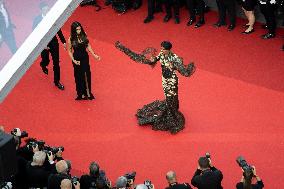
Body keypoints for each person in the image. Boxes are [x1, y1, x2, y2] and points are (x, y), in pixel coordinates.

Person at [115, 41, 195, 134]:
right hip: (164, 81)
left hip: (172, 82)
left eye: (163, 49)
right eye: (161, 48)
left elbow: (184, 72)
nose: (161, 50)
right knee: (169, 98)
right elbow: (154, 60)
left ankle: (172, 114)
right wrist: (151, 59)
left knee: (170, 99)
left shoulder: (175, 59)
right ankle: (172, 109)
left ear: (168, 50)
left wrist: (178, 67)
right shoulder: (161, 54)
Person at [33, 1, 66, 90]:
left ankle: (57, 82)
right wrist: (42, 45)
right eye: (45, 10)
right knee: (45, 60)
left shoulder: (53, 18)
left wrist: (63, 42)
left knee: (56, 63)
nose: (47, 11)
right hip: (44, 44)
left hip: (54, 43)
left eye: (48, 9)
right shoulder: (36, 20)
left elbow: (58, 30)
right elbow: (35, 34)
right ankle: (43, 65)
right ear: (41, 10)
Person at [67, 21, 100, 100]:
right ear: (73, 30)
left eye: (79, 29)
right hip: (77, 58)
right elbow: (69, 51)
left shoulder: (84, 34)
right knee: (78, 76)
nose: (79, 31)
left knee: (87, 74)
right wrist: (74, 60)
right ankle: (80, 94)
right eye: (77, 30)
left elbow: (88, 45)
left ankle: (88, 93)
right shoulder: (70, 39)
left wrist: (94, 54)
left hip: (85, 57)